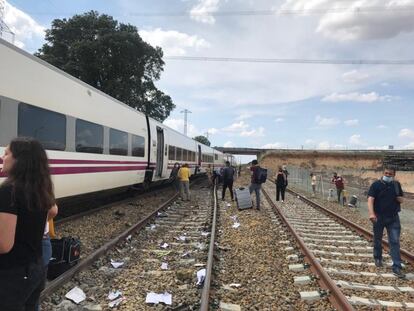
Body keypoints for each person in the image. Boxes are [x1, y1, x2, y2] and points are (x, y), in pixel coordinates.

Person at [0, 137, 56, 311]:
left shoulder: (9, 191)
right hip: (36, 268)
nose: (3, 156)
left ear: (19, 159)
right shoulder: (40, 189)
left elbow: (3, 245)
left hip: (12, 274)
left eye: (7, 153)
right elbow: (50, 213)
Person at [367, 166, 404, 278]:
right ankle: (378, 258)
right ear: (383, 173)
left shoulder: (396, 185)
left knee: (394, 241)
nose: (388, 175)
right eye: (386, 173)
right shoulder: (376, 185)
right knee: (377, 239)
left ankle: (396, 266)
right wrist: (371, 213)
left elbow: (401, 199)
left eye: (390, 174)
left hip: (393, 217)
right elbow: (370, 200)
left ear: (394, 175)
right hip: (378, 217)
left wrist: (399, 199)